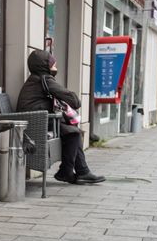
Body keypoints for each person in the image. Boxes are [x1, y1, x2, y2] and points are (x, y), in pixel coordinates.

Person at [16, 49, 105, 184]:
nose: (55, 67)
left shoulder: (36, 79)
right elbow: (74, 100)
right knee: (74, 133)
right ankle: (66, 172)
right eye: (53, 64)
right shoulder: (44, 79)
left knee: (75, 131)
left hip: (35, 121)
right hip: (35, 123)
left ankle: (82, 171)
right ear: (44, 65)